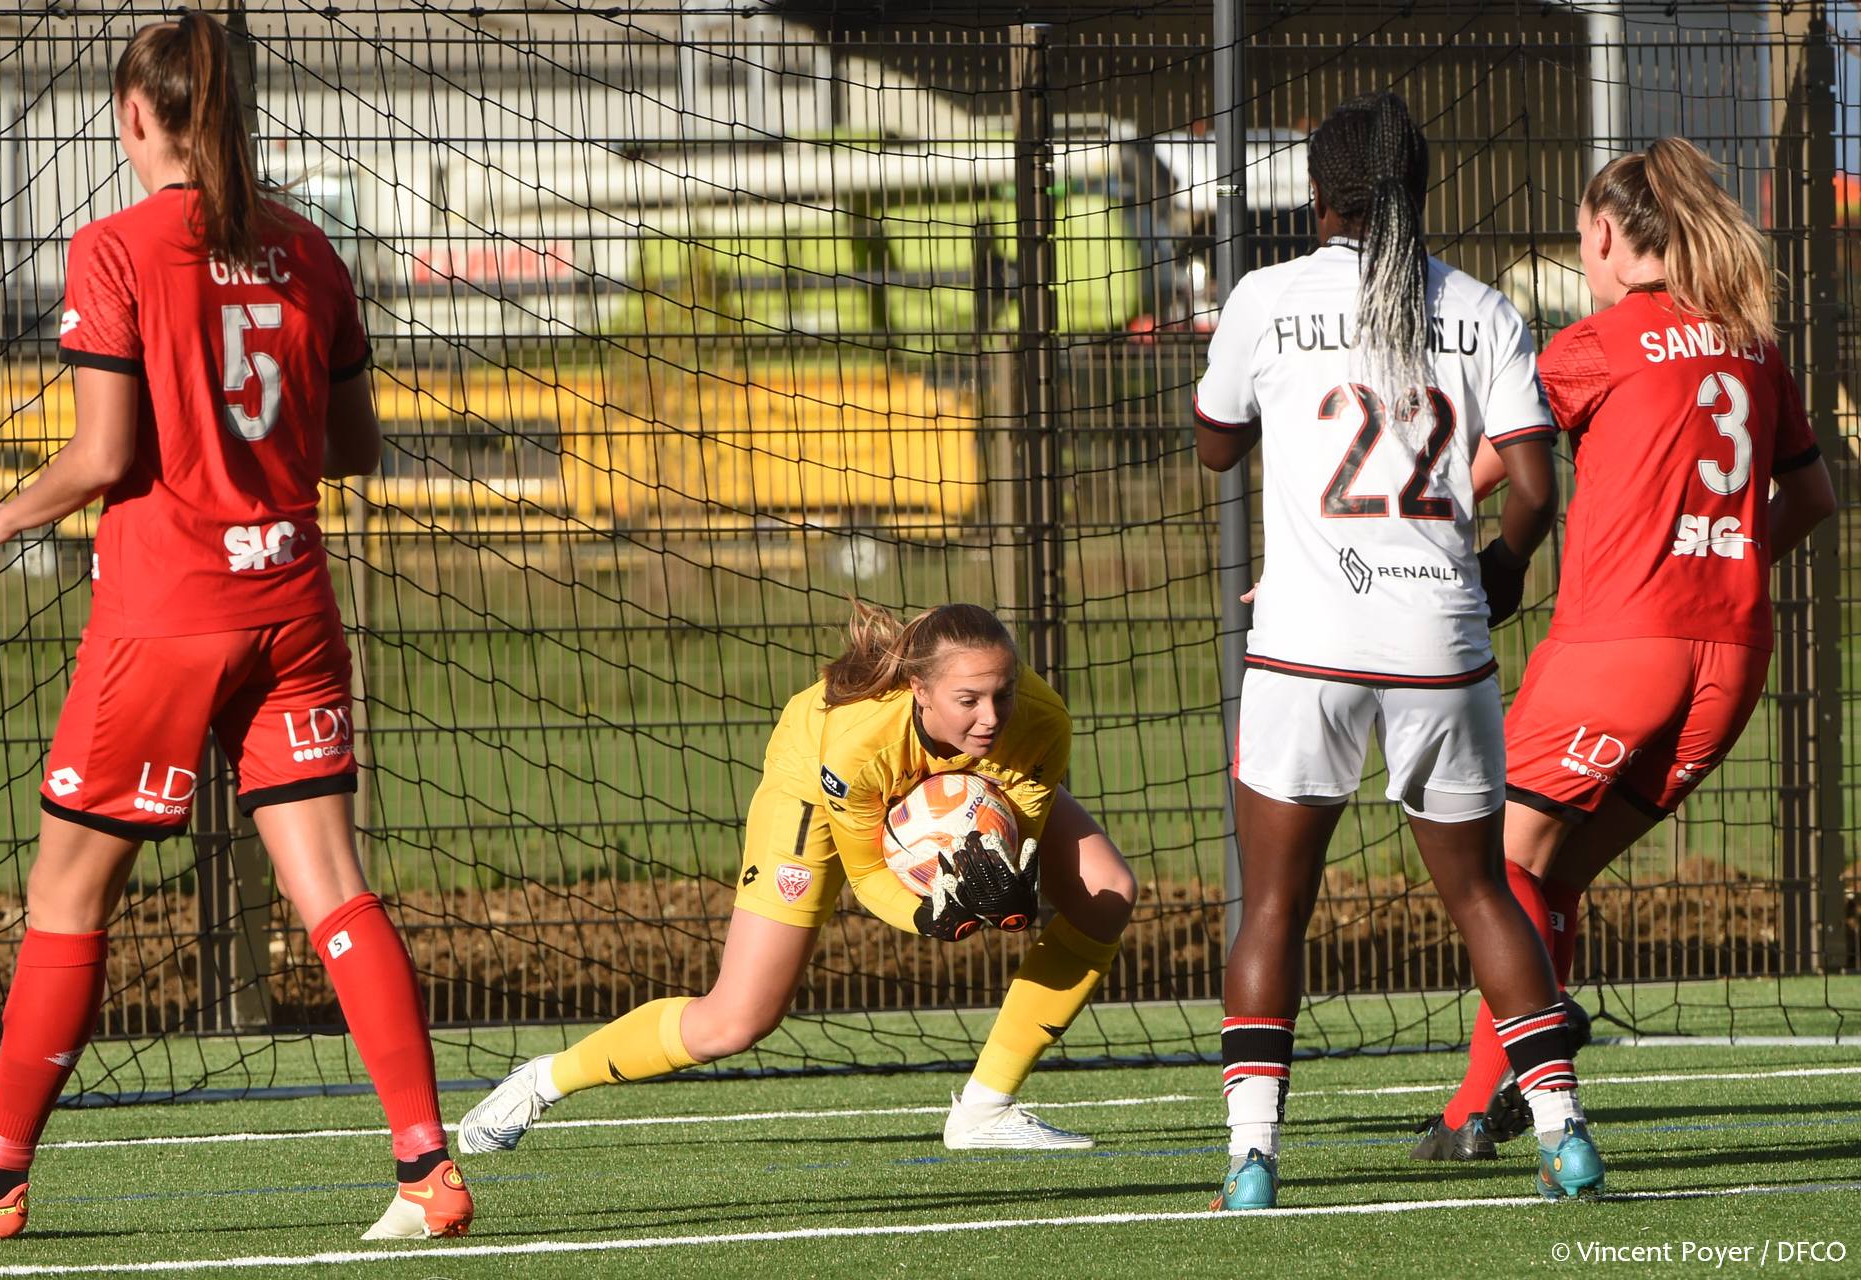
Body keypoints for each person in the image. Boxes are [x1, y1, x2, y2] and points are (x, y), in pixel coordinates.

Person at [0, 13, 471, 1241]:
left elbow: (104, 453)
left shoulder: (114, 248)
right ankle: (425, 1162)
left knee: (67, 893)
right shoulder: (310, 249)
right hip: (292, 604)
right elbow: (354, 448)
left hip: (166, 615)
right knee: (334, 889)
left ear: (137, 115)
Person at [1192, 91, 1603, 1209]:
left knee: (1273, 905)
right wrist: (1501, 570)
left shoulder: (1267, 295)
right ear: (1420, 188)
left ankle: (1251, 1161)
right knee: (1482, 894)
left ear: (1316, 195)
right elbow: (1533, 488)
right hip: (1441, 639)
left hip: (1305, 644)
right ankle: (1565, 1136)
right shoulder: (1482, 305)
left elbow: (1216, 445)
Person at [1423, 137, 1837, 1155]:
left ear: (1607, 235)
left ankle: (1543, 1031)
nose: (1583, 255)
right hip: (1731, 657)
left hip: (1617, 650)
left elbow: (1463, 479)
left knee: (1489, 858)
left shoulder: (1593, 346)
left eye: (1581, 238)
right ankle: (1476, 1109)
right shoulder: (1751, 344)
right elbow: (1814, 498)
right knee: (1552, 870)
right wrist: (1722, 556)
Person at [456, 602, 1137, 1153]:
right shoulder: (856, 743)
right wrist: (932, 914)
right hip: (814, 788)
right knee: (737, 1021)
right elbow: (868, 874)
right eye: (968, 699)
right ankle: (541, 1082)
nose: (990, 717)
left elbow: (1009, 829)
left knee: (1108, 894)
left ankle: (985, 1111)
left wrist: (1004, 888)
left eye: (1003, 694)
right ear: (919, 690)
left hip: (949, 780)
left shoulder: (1041, 723)